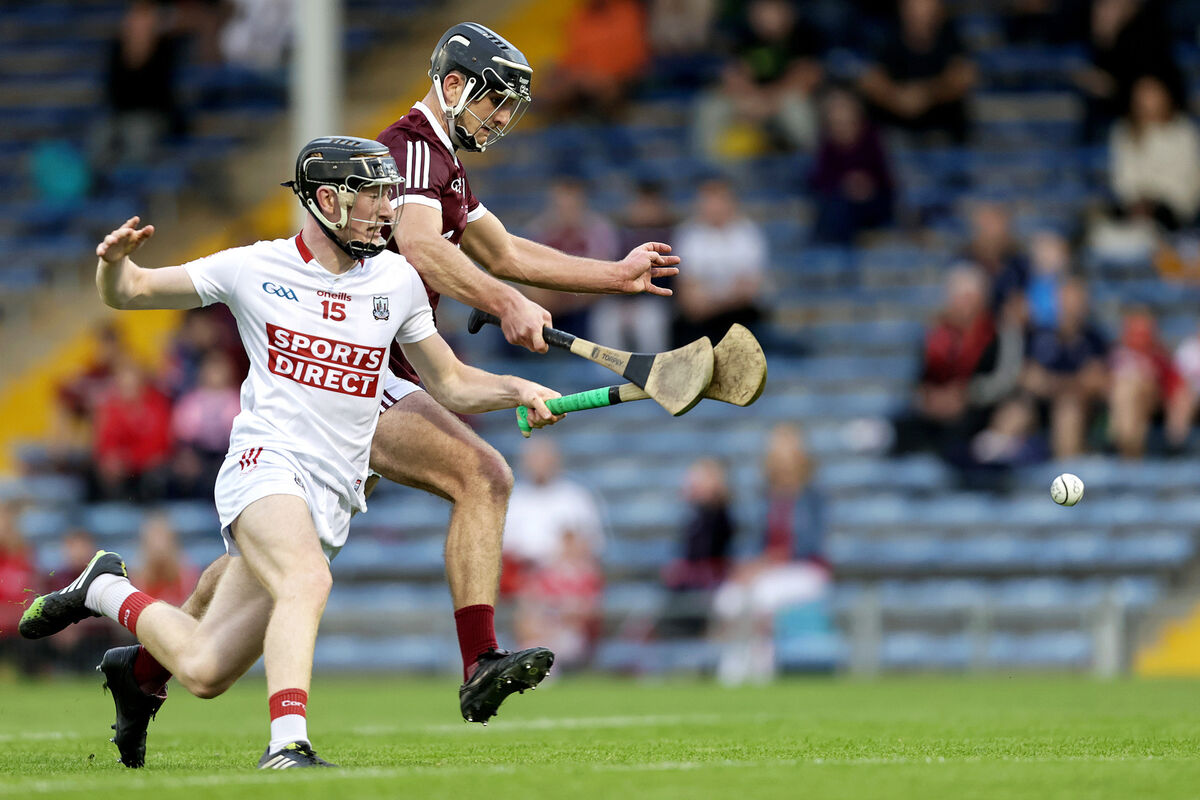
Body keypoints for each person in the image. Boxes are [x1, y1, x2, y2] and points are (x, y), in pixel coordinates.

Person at [89, 22, 678, 769]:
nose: (501, 120)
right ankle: (475, 660)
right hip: (367, 373)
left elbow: (502, 251)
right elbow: (428, 247)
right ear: (455, 85)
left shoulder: (445, 164)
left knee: (244, 593)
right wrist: (505, 305)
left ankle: (140, 669)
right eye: (495, 103)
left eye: (510, 110)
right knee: (480, 477)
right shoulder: (404, 154)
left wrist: (612, 275)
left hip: (379, 365)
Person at [19, 135, 564, 769]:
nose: (388, 209)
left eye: (391, 194)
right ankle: (288, 745)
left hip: (332, 499)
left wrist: (516, 388)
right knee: (308, 577)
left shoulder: (396, 279)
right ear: (327, 200)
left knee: (202, 668)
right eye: (374, 197)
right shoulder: (255, 267)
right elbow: (132, 291)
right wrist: (112, 265)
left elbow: (448, 383)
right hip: (265, 468)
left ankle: (104, 588)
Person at [712, 424, 828, 685]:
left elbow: (807, 544)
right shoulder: (764, 496)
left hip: (805, 569)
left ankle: (762, 663)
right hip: (767, 569)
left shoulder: (812, 496)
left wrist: (764, 565)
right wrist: (746, 568)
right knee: (728, 598)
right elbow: (754, 542)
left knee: (764, 595)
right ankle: (735, 658)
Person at [857, 0, 976, 145]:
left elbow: (964, 77)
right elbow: (869, 80)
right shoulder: (888, 37)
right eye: (914, 5)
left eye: (926, 5)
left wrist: (926, 94)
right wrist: (897, 97)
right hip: (895, 125)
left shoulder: (951, 37)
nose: (920, 12)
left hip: (943, 128)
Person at [671, 176, 766, 347]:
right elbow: (689, 296)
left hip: (740, 317)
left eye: (719, 200)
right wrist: (723, 299)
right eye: (708, 200)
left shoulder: (747, 233)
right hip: (700, 320)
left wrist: (712, 302)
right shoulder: (688, 235)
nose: (714, 206)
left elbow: (748, 291)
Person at [1022, 278, 1109, 459]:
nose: (1071, 307)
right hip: (1038, 406)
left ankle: (1065, 476)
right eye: (1067, 301)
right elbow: (1029, 379)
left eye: (1077, 301)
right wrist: (1073, 383)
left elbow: (1096, 382)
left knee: (1068, 409)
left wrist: (1053, 383)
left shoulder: (1095, 339)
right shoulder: (1038, 335)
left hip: (1082, 409)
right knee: (1012, 415)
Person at [1109, 74, 1200, 231]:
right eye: (1142, 95)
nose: (1147, 101)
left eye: (1152, 94)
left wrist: (1157, 199)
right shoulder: (1123, 130)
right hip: (1135, 206)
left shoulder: (1184, 131)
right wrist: (1139, 201)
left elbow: (1188, 176)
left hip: (1175, 208)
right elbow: (1123, 176)